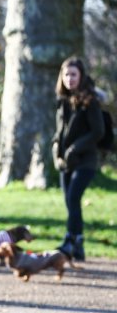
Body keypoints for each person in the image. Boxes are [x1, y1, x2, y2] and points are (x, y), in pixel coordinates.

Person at [52, 56, 105, 262]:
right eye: (66, 74)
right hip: (66, 162)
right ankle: (77, 244)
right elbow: (59, 131)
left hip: (85, 161)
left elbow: (98, 131)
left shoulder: (90, 101)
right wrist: (56, 148)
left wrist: (75, 148)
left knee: (73, 198)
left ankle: (71, 240)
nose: (70, 78)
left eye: (73, 74)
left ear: (81, 76)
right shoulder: (63, 100)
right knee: (70, 203)